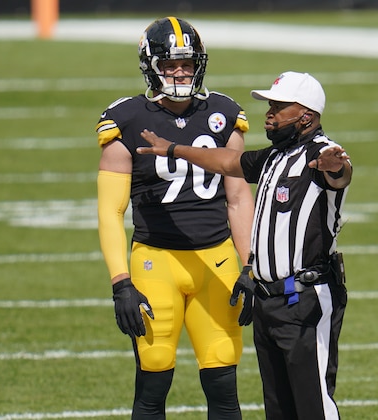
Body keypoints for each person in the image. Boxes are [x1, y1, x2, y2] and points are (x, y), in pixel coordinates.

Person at [137, 71, 352, 420]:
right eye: (270, 106)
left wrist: (336, 167)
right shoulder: (275, 157)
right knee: (279, 409)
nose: (270, 114)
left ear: (306, 116)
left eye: (279, 107)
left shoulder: (320, 153)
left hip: (305, 299)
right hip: (269, 301)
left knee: (314, 406)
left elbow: (340, 172)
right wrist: (173, 149)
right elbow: (227, 162)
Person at [95, 17, 254, 419]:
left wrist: (251, 265)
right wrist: (120, 284)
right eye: (169, 64)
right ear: (151, 66)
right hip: (155, 261)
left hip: (215, 260)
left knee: (222, 378)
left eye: (186, 63)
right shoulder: (127, 120)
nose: (179, 72)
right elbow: (111, 211)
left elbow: (238, 198)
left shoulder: (223, 115)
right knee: (154, 375)